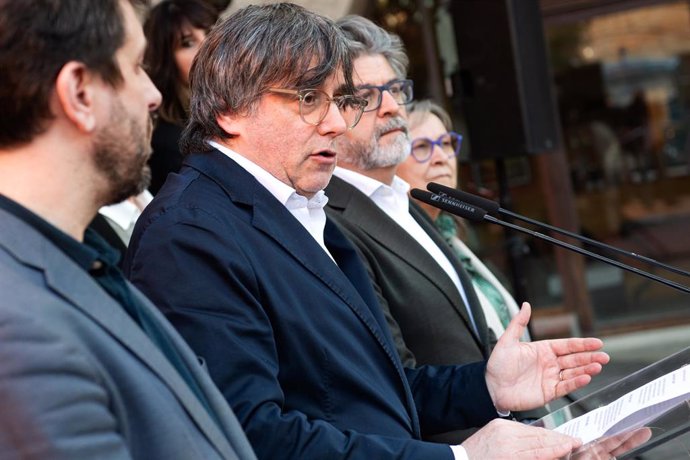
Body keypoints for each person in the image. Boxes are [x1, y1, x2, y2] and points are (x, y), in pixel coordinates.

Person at [124, 4, 608, 459]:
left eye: (340, 101)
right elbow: (252, 435)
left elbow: (375, 395)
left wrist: (488, 386)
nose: (336, 123)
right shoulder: (188, 233)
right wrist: (460, 456)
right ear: (230, 109)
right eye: (309, 98)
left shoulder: (302, 210)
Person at [0, 1, 255, 458]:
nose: (153, 94)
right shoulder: (19, 331)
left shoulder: (81, 262)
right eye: (136, 65)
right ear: (79, 93)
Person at [326, 16, 493, 374]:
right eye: (366, 98)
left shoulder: (407, 199)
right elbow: (396, 377)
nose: (391, 107)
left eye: (395, 90)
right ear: (328, 116)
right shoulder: (327, 222)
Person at [396, 99, 523, 340]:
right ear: (390, 160)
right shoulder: (395, 243)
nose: (440, 157)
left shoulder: (451, 234)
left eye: (445, 143)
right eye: (422, 147)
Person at [144, 0, 219, 194]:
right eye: (187, 43)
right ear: (166, 58)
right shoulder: (167, 143)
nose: (207, 46)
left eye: (210, 33)